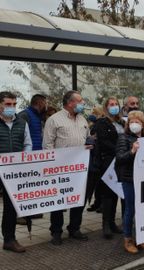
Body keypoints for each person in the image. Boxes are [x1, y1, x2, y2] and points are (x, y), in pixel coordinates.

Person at [43, 90, 90, 245]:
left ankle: (74, 228)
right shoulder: (54, 120)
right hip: (60, 168)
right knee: (59, 200)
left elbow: (87, 138)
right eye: (80, 101)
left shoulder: (83, 119)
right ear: (71, 103)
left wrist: (90, 144)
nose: (83, 104)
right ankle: (56, 232)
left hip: (79, 168)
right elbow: (47, 145)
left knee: (78, 199)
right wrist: (52, 166)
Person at [115, 111, 144, 254]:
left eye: (137, 122)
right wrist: (132, 151)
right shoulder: (123, 138)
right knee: (130, 209)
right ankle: (128, 240)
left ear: (143, 124)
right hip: (129, 178)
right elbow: (120, 158)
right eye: (131, 122)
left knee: (143, 209)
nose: (134, 125)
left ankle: (142, 237)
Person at [0, 91, 32, 252]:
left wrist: (23, 160)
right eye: (7, 104)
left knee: (11, 206)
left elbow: (27, 144)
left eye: (14, 104)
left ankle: (9, 239)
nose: (11, 107)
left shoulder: (22, 122)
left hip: (13, 172)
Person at [95, 97, 125, 239]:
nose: (114, 106)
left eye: (116, 104)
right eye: (111, 104)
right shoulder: (101, 122)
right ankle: (106, 224)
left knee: (118, 192)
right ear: (106, 107)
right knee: (108, 193)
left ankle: (113, 223)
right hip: (109, 161)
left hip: (123, 161)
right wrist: (119, 151)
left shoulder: (122, 122)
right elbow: (103, 141)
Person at [16, 94, 47, 222]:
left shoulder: (38, 116)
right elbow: (20, 136)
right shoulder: (25, 115)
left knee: (33, 186)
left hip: (37, 156)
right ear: (39, 103)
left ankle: (31, 211)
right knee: (24, 186)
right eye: (45, 102)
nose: (46, 105)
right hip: (27, 156)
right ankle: (20, 215)